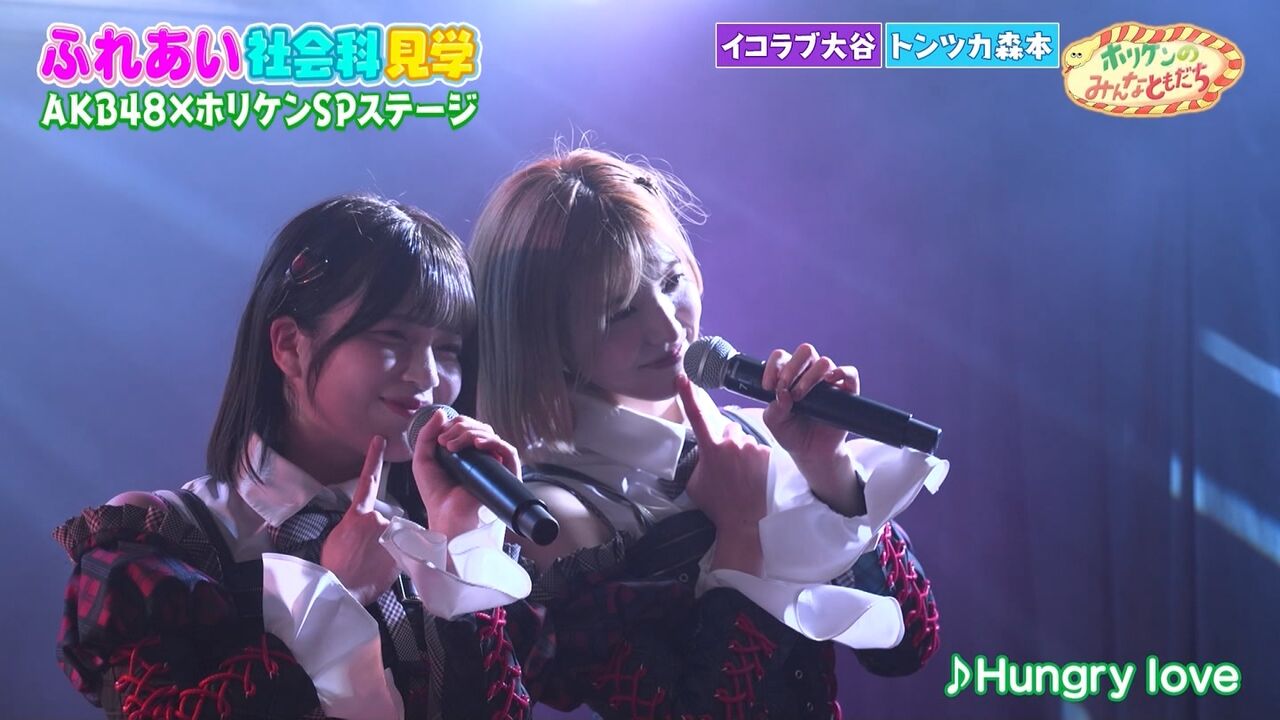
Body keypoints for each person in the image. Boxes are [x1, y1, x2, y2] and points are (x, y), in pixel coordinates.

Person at [470, 148, 949, 718]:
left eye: (672, 280)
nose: (667, 327)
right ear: (544, 333)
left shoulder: (756, 430)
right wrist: (740, 532)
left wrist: (828, 471)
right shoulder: (559, 514)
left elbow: (909, 646)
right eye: (618, 310)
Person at [53, 194, 533, 719]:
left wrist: (461, 548)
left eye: (448, 349)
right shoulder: (163, 539)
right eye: (392, 336)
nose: (429, 377)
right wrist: (331, 595)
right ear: (288, 345)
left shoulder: (423, 541)